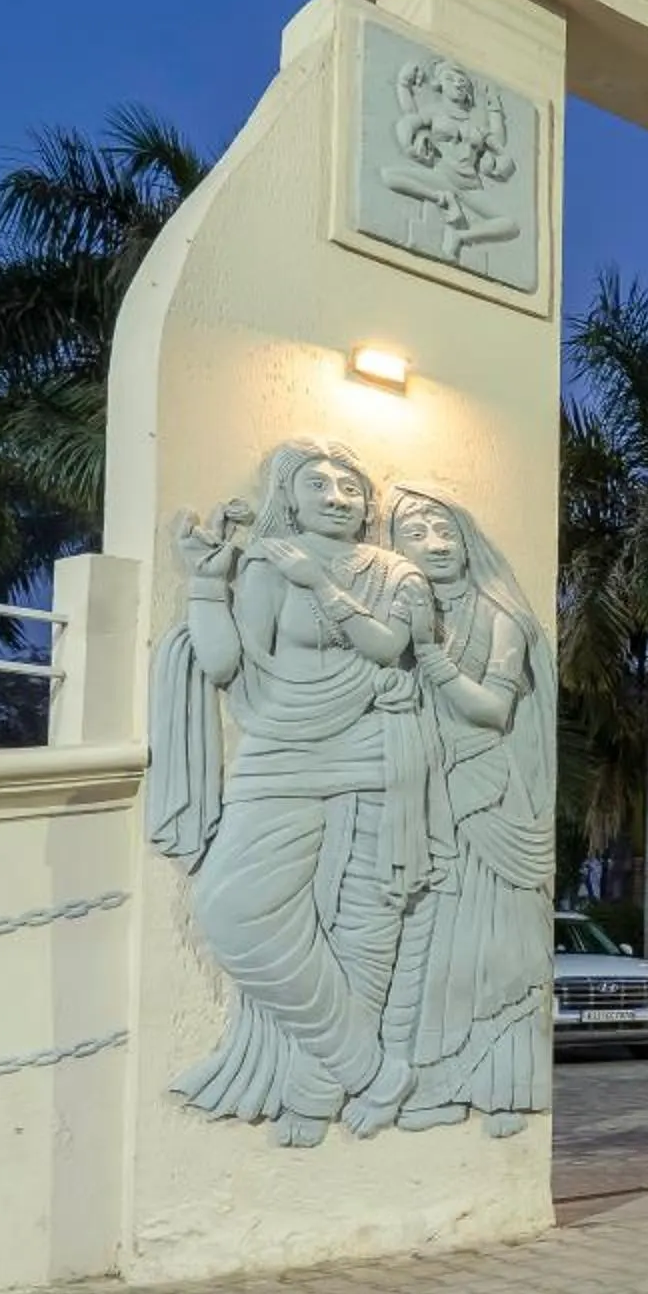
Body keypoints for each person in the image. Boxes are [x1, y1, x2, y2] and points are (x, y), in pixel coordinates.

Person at [150, 438, 451, 1146]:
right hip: (279, 748)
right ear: (290, 495)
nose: (338, 497)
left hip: (375, 752)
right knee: (229, 911)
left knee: (365, 924)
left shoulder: (396, 573)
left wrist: (319, 584)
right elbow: (226, 662)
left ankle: (316, 1093)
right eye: (319, 485)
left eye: (349, 486)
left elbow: (385, 649)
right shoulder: (265, 563)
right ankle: (372, 1071)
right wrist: (204, 582)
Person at [383, 485, 555, 1136]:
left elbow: (493, 710)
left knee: (496, 947)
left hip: (486, 795)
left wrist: (428, 655)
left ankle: (504, 1086)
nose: (434, 542)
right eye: (415, 533)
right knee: (433, 945)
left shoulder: (498, 616)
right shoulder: (396, 613)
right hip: (427, 794)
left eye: (444, 529)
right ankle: (431, 1083)